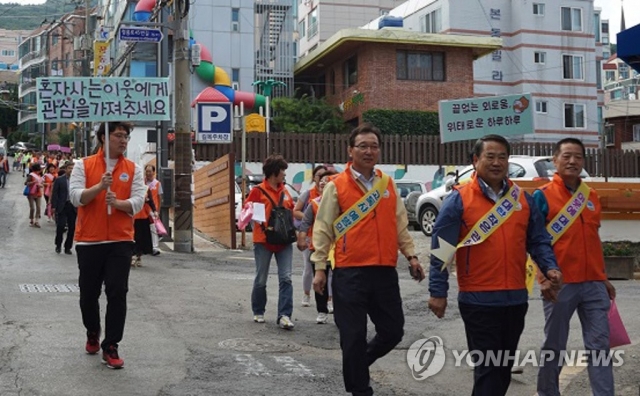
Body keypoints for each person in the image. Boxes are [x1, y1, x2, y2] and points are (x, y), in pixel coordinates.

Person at [428, 134, 563, 396]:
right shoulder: (459, 199)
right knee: (489, 370)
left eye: (502, 157)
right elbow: (441, 248)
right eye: (490, 156)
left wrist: (549, 267)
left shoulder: (522, 199)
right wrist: (437, 291)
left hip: (514, 299)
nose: (497, 162)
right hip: (478, 300)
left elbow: (538, 240)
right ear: (475, 160)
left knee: (501, 369)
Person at [310, 123, 425, 396]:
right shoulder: (336, 186)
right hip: (350, 273)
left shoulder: (388, 184)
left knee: (393, 331)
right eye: (363, 146)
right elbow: (323, 228)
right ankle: (360, 389)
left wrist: (411, 255)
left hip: (384, 272)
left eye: (374, 146)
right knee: (352, 337)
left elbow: (399, 225)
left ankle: (358, 365)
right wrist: (320, 268)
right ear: (351, 150)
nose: (369, 151)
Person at [534, 138, 616, 396]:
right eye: (566, 156)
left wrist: (603, 277)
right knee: (555, 345)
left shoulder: (591, 196)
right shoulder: (542, 196)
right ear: (555, 160)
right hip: (560, 283)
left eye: (578, 157)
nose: (572, 161)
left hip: (593, 284)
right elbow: (535, 242)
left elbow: (592, 239)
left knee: (600, 346)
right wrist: (543, 278)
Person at [69, 121, 146, 369]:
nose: (123, 141)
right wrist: (99, 187)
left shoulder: (134, 168)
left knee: (117, 292)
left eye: (126, 136)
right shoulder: (84, 164)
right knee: (88, 293)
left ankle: (111, 345)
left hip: (120, 241)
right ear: (104, 137)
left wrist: (120, 203)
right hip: (89, 240)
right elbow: (76, 197)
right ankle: (93, 330)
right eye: (118, 136)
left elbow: (137, 202)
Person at [247, 154, 296, 330]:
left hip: (284, 241)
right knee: (261, 278)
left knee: (286, 278)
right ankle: (258, 310)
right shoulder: (257, 191)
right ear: (274, 172)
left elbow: (291, 211)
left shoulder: (285, 191)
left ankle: (284, 315)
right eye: (282, 171)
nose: (284, 174)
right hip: (263, 240)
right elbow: (247, 211)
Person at [296, 168, 338, 324]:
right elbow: (305, 223)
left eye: (327, 183)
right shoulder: (314, 204)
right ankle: (322, 311)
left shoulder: (342, 203)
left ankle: (337, 306)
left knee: (338, 280)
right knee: (320, 278)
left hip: (339, 248)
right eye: (321, 184)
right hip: (318, 248)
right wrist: (301, 238)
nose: (323, 185)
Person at [293, 165, 329, 308]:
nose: (321, 178)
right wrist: (312, 217)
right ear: (314, 178)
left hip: (328, 238)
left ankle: (329, 300)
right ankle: (306, 294)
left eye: (324, 175)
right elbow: (296, 212)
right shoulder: (308, 194)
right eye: (319, 175)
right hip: (310, 237)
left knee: (330, 270)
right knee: (309, 267)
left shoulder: (333, 193)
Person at [51, 162, 76, 254]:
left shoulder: (77, 180)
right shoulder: (59, 180)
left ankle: (68, 247)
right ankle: (58, 245)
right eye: (70, 168)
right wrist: (53, 206)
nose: (71, 170)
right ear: (65, 169)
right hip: (62, 206)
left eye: (73, 168)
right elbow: (55, 194)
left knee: (72, 228)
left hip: (73, 206)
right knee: (60, 226)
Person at [131, 187, 156, 267]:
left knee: (142, 238)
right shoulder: (133, 187)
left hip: (144, 216)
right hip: (134, 216)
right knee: (135, 237)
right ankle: (134, 255)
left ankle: (138, 256)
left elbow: (151, 201)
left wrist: (155, 210)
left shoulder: (146, 188)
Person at [144, 165, 163, 256]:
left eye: (150, 171)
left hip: (152, 209)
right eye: (146, 171)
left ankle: (155, 247)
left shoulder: (157, 184)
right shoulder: (142, 182)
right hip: (142, 209)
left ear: (154, 172)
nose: (148, 173)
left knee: (153, 228)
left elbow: (159, 198)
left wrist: (157, 211)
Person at [26, 163, 44, 227]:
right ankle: (31, 220)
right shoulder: (31, 175)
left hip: (38, 193)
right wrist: (33, 182)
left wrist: (41, 185)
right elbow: (26, 183)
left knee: (38, 207)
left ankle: (36, 220)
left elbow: (42, 183)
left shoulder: (40, 175)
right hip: (31, 193)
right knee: (32, 208)